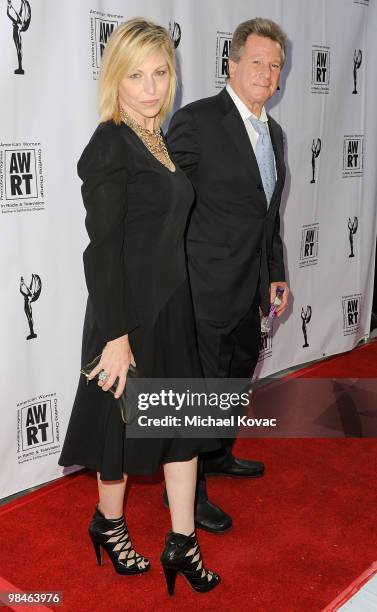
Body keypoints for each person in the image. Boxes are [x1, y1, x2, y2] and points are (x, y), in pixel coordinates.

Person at [58, 18, 220, 595]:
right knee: (118, 434)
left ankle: (182, 541)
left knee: (180, 426)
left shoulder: (158, 137)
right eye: (135, 76)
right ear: (115, 79)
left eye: (159, 73)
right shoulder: (110, 144)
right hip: (126, 316)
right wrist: (117, 335)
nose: (149, 88)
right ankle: (109, 523)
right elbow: (101, 250)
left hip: (172, 309)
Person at [167, 18, 290, 531]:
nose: (267, 73)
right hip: (204, 287)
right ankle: (189, 495)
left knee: (236, 380)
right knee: (203, 390)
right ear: (232, 64)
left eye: (275, 65)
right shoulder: (197, 121)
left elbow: (268, 215)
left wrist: (276, 273)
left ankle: (217, 457)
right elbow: (167, 203)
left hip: (252, 289)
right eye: (257, 61)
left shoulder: (275, 132)